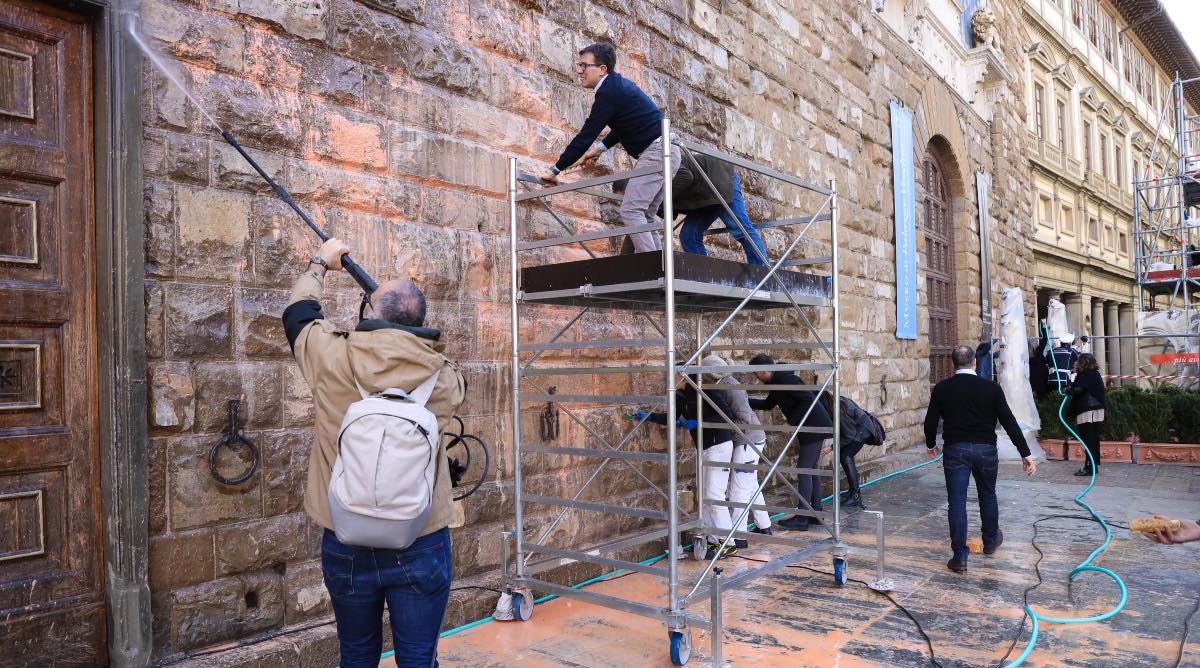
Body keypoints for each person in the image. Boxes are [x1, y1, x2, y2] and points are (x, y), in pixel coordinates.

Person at [281, 238, 467, 668]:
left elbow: (298, 314)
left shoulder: (329, 354)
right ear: (419, 321)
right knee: (419, 659)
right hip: (420, 538)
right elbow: (452, 372)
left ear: (369, 314)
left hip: (346, 536)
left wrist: (320, 265)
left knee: (357, 655)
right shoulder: (443, 379)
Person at [541, 42, 677, 254]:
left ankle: (656, 269)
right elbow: (625, 123)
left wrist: (556, 169)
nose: (579, 71)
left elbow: (586, 135)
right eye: (579, 65)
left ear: (602, 69)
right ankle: (662, 267)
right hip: (669, 151)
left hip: (658, 152)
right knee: (646, 214)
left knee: (632, 210)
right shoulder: (617, 86)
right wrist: (601, 148)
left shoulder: (608, 92)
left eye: (584, 66)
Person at [924, 345, 1037, 574]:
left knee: (957, 501)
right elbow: (1009, 422)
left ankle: (959, 556)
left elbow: (930, 422)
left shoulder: (942, 389)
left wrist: (930, 444)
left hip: (955, 449)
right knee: (988, 494)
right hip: (986, 449)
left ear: (952, 364)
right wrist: (1025, 453)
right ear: (975, 362)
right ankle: (990, 541)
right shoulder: (991, 388)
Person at [634, 377, 738, 559]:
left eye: (674, 375)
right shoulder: (682, 396)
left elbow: (726, 414)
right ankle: (713, 539)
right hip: (704, 447)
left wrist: (700, 422)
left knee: (714, 495)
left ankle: (728, 542)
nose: (671, 379)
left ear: (684, 376)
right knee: (704, 496)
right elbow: (674, 416)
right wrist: (650, 417)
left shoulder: (706, 389)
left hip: (719, 445)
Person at [747, 354, 833, 532]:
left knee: (803, 470)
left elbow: (808, 400)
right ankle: (815, 512)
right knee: (810, 470)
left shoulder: (786, 378)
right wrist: (743, 400)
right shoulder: (776, 382)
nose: (756, 377)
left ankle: (803, 517)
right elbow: (768, 405)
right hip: (810, 426)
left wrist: (792, 420)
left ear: (764, 370)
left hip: (813, 426)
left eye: (756, 373)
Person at [703, 354, 773, 542]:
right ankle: (764, 525)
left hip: (747, 441)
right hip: (746, 439)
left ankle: (739, 535)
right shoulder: (724, 383)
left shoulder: (732, 387)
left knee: (739, 489)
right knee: (750, 484)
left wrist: (718, 425)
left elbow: (744, 420)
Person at [674, 153, 769, 266]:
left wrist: (662, 200)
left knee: (741, 229)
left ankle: (763, 275)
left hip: (721, 181)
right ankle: (703, 276)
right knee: (689, 235)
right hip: (704, 193)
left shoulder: (663, 161)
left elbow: (686, 176)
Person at [818, 391, 871, 509]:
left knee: (846, 457)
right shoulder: (834, 403)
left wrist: (830, 448)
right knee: (843, 455)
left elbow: (849, 435)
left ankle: (856, 496)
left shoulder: (839, 411)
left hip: (863, 430)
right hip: (856, 429)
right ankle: (853, 491)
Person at [1066, 353, 1106, 477]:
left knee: (1088, 440)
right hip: (1098, 410)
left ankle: (1089, 468)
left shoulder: (1084, 375)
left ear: (1082, 363)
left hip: (1087, 411)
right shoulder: (1095, 374)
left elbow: (1079, 389)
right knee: (1093, 439)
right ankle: (1093, 466)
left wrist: (1069, 390)